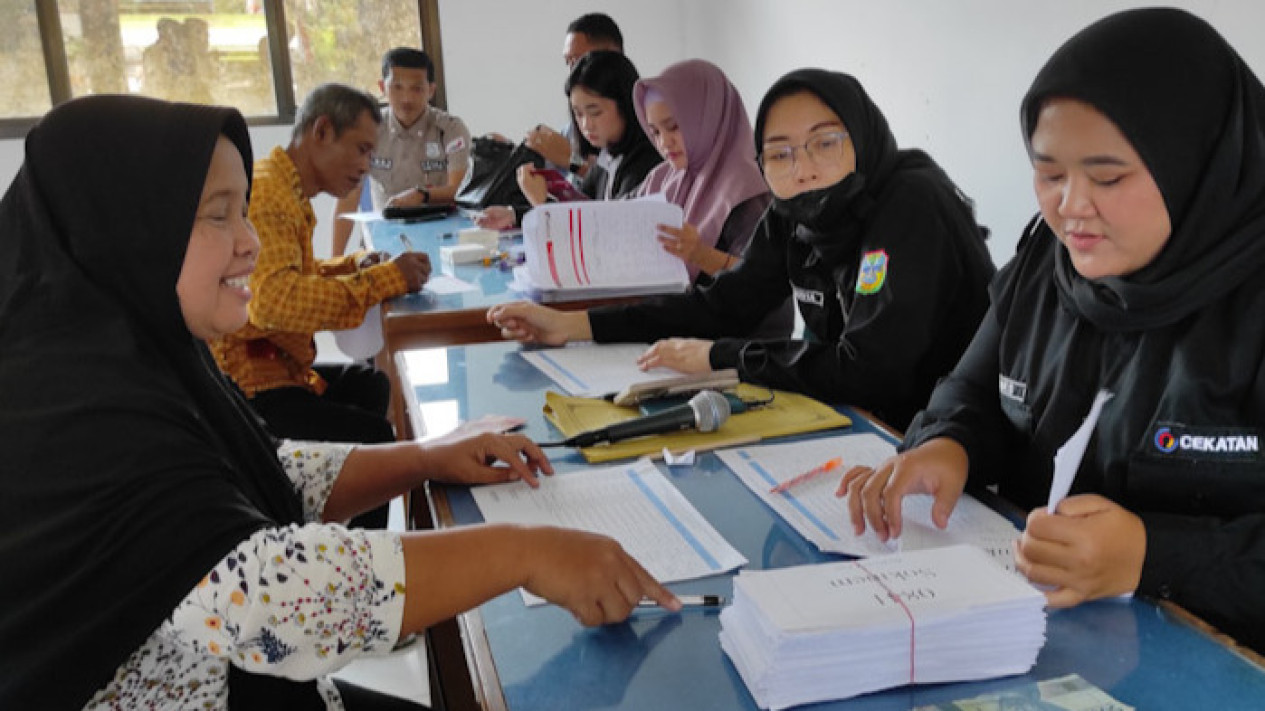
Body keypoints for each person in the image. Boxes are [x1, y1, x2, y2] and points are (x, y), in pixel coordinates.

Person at [0, 94, 677, 709]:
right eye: (217, 216)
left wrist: (422, 456)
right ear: (124, 226)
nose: (250, 242)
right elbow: (262, 595)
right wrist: (525, 553)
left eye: (242, 211)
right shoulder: (69, 414)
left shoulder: (140, 355)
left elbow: (254, 476)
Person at [839, 8, 1265, 654]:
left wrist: (1153, 555)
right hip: (1042, 636)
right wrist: (948, 445)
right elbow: (972, 391)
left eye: (1107, 176)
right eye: (1048, 174)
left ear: (1197, 161)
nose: (1070, 207)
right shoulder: (1047, 265)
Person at [489, 69, 995, 430]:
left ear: (861, 136)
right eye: (780, 153)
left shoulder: (910, 204)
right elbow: (722, 304)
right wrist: (572, 325)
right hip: (855, 423)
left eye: (825, 142)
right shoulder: (793, 210)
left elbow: (869, 370)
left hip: (945, 446)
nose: (803, 168)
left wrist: (720, 357)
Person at [211, 84, 430, 529]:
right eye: (362, 150)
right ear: (322, 131)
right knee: (376, 438)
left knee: (369, 386)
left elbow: (294, 272)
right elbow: (273, 302)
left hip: (282, 367)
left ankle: (331, 511)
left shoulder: (286, 188)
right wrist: (383, 278)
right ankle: (361, 563)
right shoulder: (269, 194)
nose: (366, 167)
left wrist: (354, 265)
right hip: (252, 386)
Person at [631, 58, 791, 338]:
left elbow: (764, 280)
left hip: (744, 344)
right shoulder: (664, 178)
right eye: (655, 131)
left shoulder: (746, 188)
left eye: (673, 127)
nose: (663, 142)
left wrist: (700, 254)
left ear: (706, 117)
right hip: (685, 331)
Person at [477, 50, 662, 230]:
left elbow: (606, 233)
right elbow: (581, 210)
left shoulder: (646, 163)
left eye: (595, 112)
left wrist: (541, 204)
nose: (586, 124)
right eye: (578, 113)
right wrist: (513, 214)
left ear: (627, 105)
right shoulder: (608, 157)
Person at [332, 48, 471, 256]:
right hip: (384, 243)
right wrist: (335, 261)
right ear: (382, 87)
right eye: (397, 87)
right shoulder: (368, 130)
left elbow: (457, 190)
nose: (406, 98)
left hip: (442, 241)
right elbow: (347, 199)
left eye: (417, 89)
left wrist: (422, 196)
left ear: (431, 90)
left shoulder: (450, 129)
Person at [523, 12, 625, 182]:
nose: (572, 72)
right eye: (568, 63)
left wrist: (572, 161)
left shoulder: (646, 124)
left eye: (578, 61)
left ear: (612, 58)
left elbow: (615, 190)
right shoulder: (572, 129)